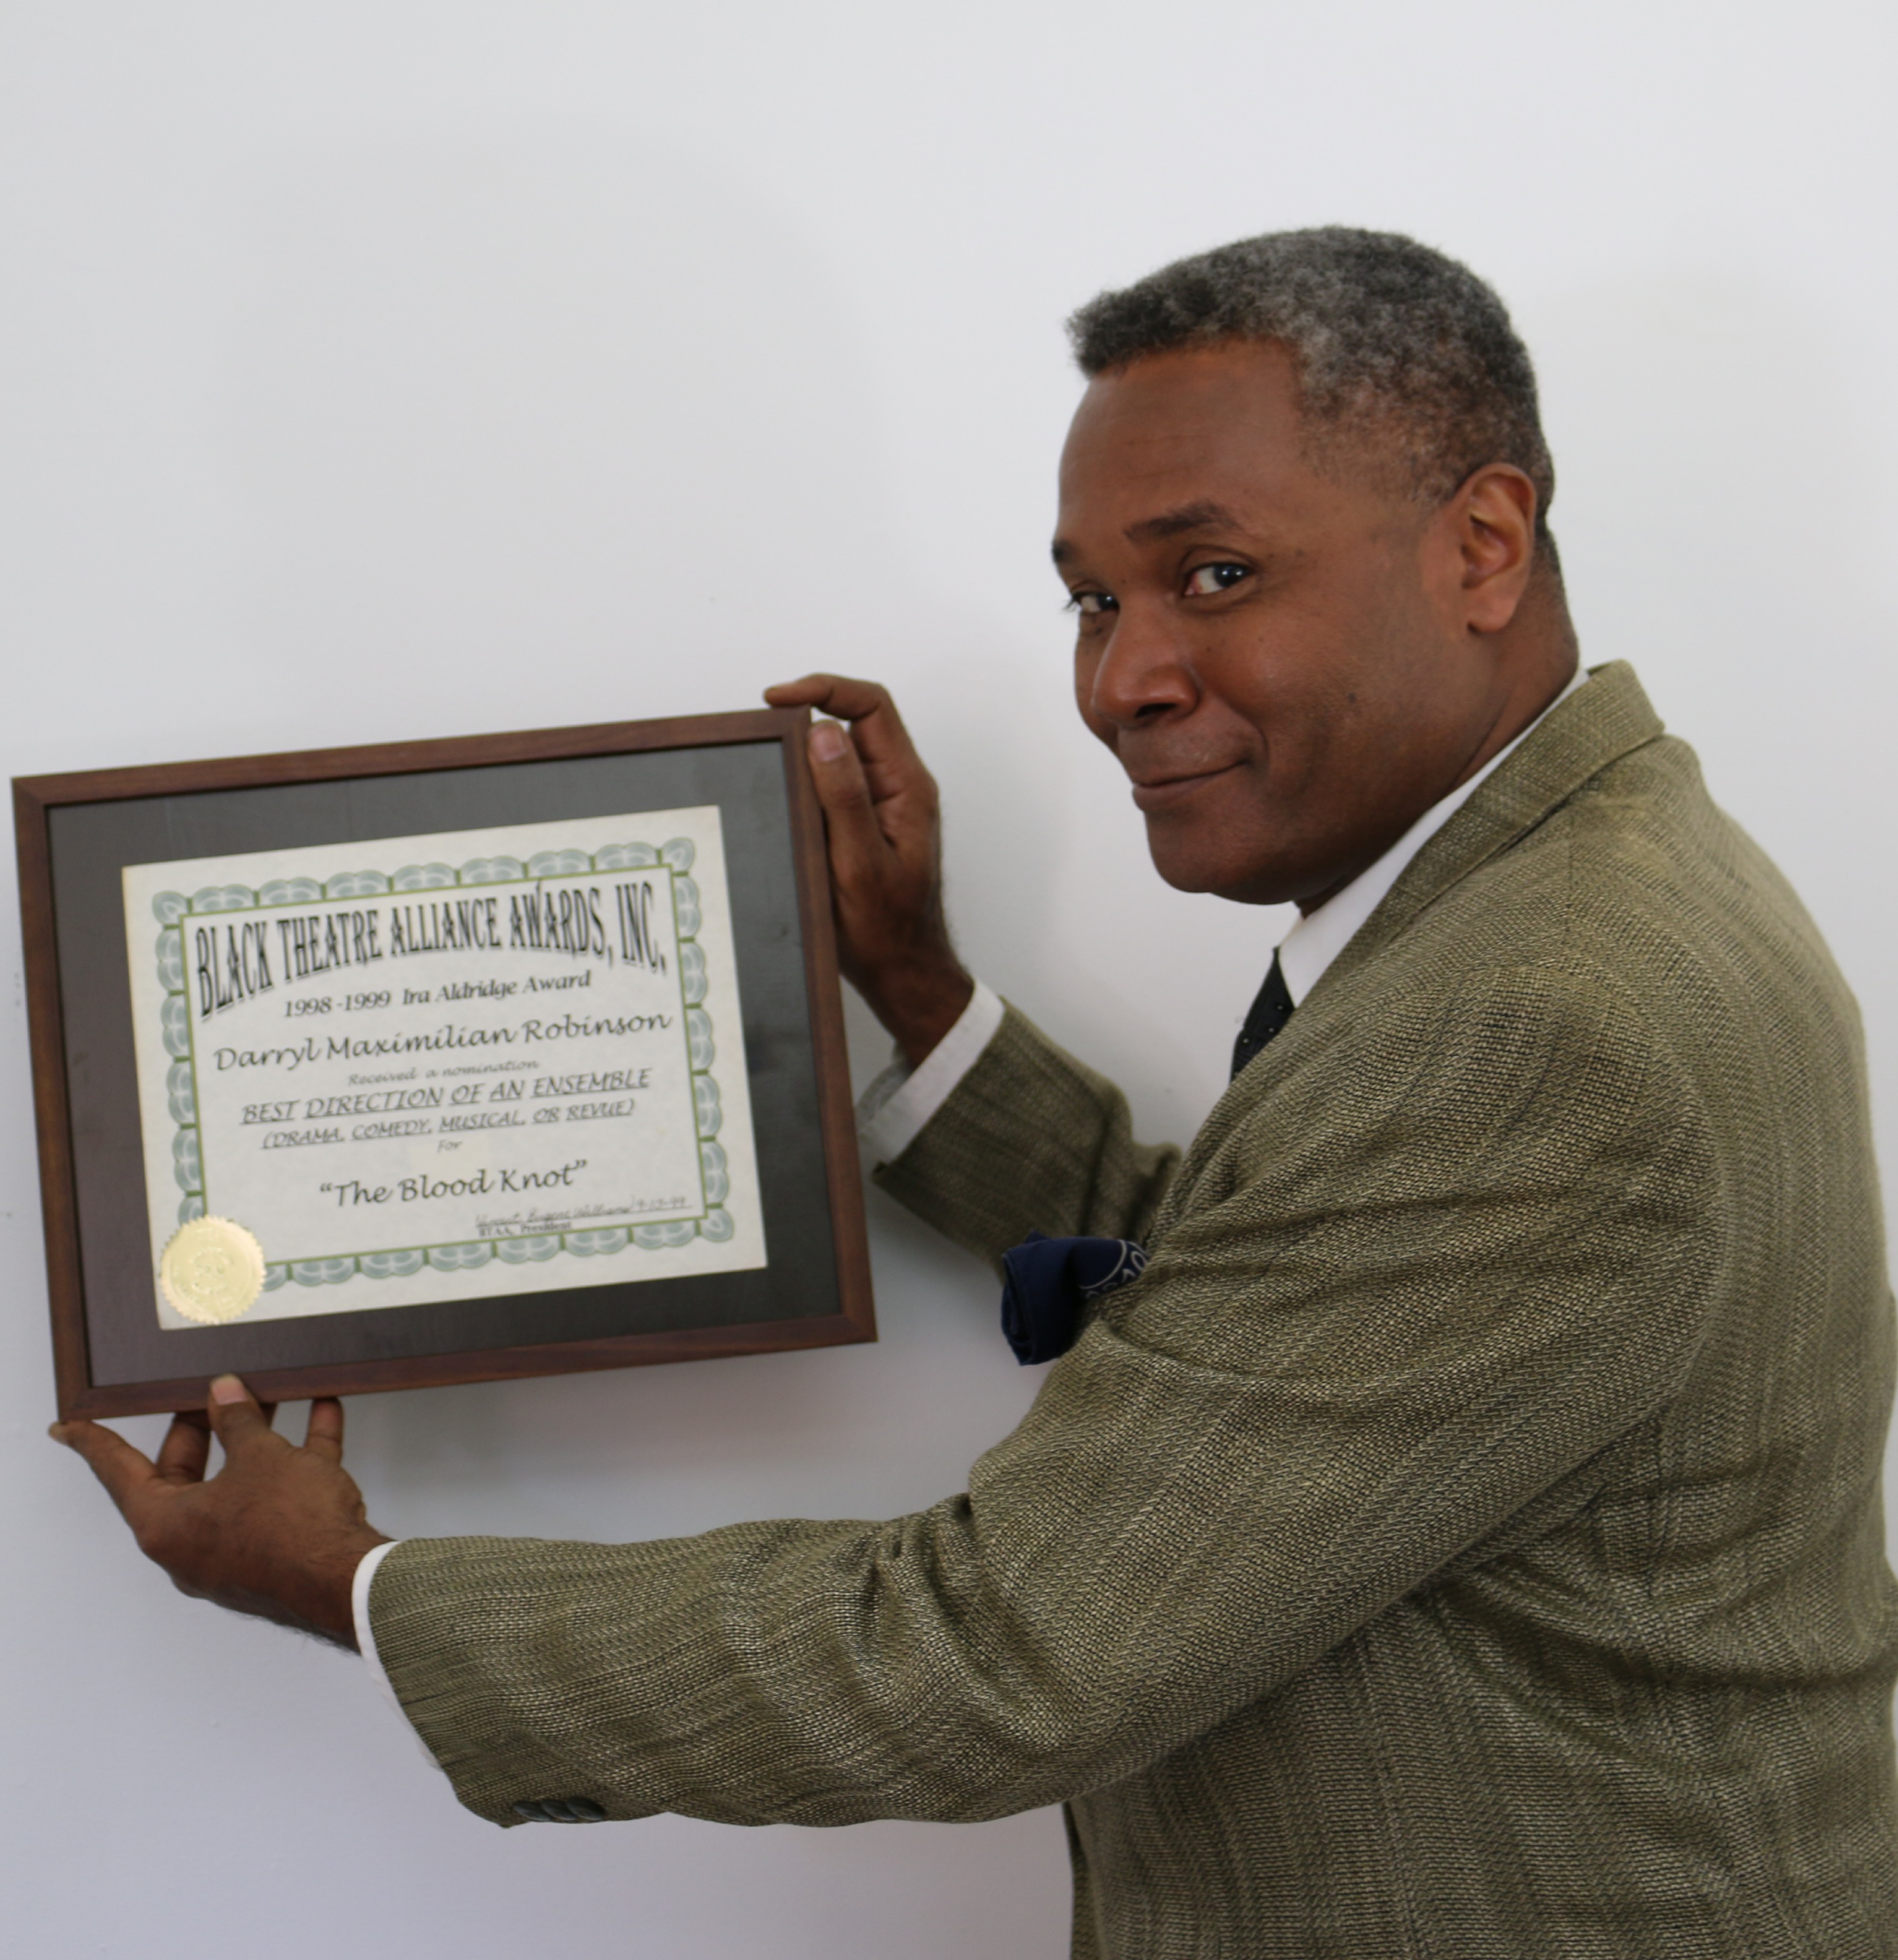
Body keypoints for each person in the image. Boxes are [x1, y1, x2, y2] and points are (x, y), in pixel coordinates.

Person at [55, 229, 1898, 1957]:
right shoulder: (1567, 893)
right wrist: (919, 996)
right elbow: (1284, 1282)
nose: (1126, 678)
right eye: (1095, 599)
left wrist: (360, 1590)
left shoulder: (1542, 1015)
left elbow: (991, 1651)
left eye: (1215, 575)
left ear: (1482, 545)